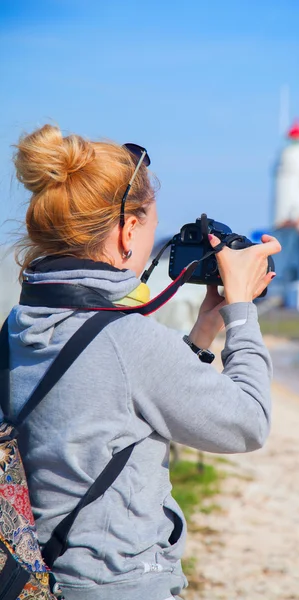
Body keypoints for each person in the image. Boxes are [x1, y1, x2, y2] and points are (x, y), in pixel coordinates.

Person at [7, 124, 281, 600]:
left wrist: (201, 336)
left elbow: (110, 406)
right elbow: (248, 424)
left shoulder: (20, 322)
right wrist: (241, 313)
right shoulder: (125, 340)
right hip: (122, 583)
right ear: (128, 230)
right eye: (154, 226)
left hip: (41, 575)